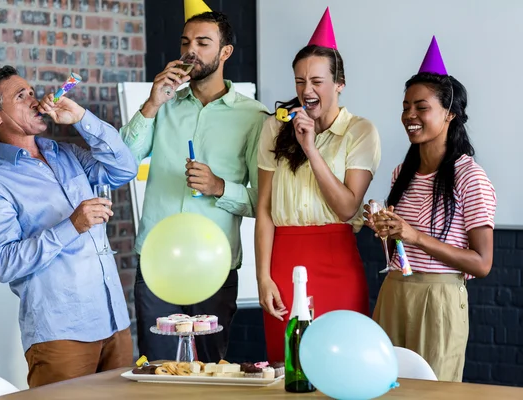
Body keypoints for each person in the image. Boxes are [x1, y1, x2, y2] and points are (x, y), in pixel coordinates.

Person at [0, 54, 138, 387]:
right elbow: (3, 263)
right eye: (21, 96)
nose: (34, 100)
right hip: (61, 334)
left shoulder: (66, 153)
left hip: (114, 322)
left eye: (31, 92)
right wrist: (72, 225)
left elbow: (124, 169)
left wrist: (81, 118)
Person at [121, 3, 269, 363]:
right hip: (158, 259)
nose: (191, 51)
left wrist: (220, 187)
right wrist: (152, 103)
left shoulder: (254, 117)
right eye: (186, 42)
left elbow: (261, 201)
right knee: (157, 368)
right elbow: (121, 160)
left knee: (206, 368)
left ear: (225, 52)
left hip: (213, 263)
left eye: (203, 43)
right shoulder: (164, 104)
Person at [364, 37, 496, 382]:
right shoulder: (400, 173)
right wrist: (386, 232)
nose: (409, 115)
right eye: (406, 106)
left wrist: (415, 235)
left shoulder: (470, 176)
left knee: (434, 389)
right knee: (385, 385)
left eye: (421, 107)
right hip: (394, 291)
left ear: (449, 113)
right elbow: (399, 252)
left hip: (439, 298)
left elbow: (482, 264)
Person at [255, 8, 381, 363]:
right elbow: (264, 209)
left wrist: (310, 148)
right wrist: (262, 277)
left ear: (339, 84)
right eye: (299, 81)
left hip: (337, 260)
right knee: (288, 366)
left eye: (316, 81)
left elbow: (347, 207)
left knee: (342, 363)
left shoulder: (360, 131)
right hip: (284, 262)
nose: (306, 90)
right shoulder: (273, 128)